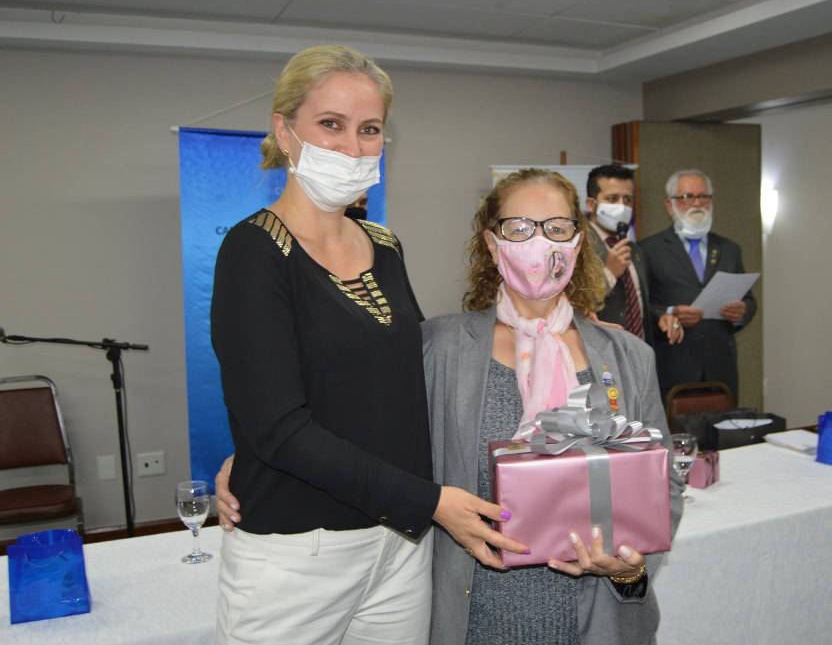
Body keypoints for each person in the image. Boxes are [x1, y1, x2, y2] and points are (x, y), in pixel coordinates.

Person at [218, 169, 682, 645]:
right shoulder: (438, 349)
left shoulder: (626, 356)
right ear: (492, 243)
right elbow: (362, 418)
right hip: (474, 623)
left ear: (579, 242)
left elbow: (663, 485)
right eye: (519, 228)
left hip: (598, 624)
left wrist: (629, 569)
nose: (540, 242)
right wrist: (250, 461)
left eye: (557, 228)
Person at [210, 44, 523, 645]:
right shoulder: (254, 252)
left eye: (370, 129)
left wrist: (564, 331)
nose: (353, 147)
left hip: (399, 544)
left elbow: (413, 375)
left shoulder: (384, 245)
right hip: (299, 551)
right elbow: (278, 428)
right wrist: (430, 501)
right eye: (331, 124)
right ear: (285, 130)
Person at [640, 169, 757, 399]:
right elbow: (640, 306)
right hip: (672, 366)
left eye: (703, 196)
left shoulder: (729, 249)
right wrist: (669, 313)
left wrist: (742, 311)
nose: (697, 203)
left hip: (720, 369)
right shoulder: (648, 249)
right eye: (687, 197)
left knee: (724, 423)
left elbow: (749, 300)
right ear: (669, 205)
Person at [584, 164, 682, 346]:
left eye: (627, 200)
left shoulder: (636, 251)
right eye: (612, 199)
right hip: (600, 354)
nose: (622, 207)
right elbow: (572, 307)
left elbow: (638, 304)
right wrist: (609, 273)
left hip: (639, 353)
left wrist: (660, 318)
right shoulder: (577, 247)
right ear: (591, 204)